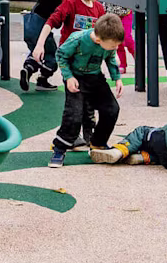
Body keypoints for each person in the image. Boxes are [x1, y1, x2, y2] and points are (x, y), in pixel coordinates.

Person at [49, 13, 126, 168]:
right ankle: (59, 148)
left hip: (95, 77)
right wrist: (68, 77)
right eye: (113, 45)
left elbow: (110, 58)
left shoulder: (108, 43)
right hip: (76, 78)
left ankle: (97, 143)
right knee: (74, 114)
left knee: (112, 109)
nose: (115, 48)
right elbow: (61, 55)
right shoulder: (77, 40)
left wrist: (117, 78)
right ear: (98, 40)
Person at [26, 0, 108, 91]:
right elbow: (50, 22)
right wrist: (40, 45)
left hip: (89, 59)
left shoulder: (99, 8)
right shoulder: (70, 3)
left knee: (93, 101)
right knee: (76, 98)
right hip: (71, 58)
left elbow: (102, 32)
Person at [20, 0, 63, 91]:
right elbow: (57, 23)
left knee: (36, 52)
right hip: (40, 31)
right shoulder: (55, 2)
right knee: (51, 55)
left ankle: (28, 68)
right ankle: (42, 80)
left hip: (28, 30)